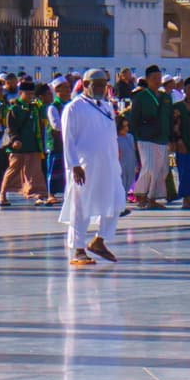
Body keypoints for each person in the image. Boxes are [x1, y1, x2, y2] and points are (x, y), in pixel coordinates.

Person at [59, 77, 126, 266]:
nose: (101, 88)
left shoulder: (106, 107)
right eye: (96, 85)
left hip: (108, 164)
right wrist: (74, 165)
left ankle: (99, 241)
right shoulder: (74, 108)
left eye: (103, 85)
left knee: (116, 201)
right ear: (86, 84)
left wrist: (115, 157)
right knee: (81, 205)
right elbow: (68, 139)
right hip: (84, 165)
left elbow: (110, 135)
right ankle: (78, 249)